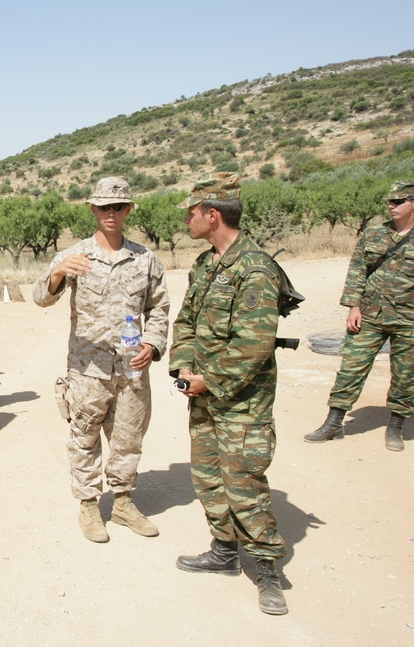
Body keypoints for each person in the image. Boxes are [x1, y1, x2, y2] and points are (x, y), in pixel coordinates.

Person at [168, 172, 288, 616]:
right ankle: (223, 551)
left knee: (244, 484)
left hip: (242, 401)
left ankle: (267, 570)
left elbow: (253, 344)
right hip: (203, 395)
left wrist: (208, 379)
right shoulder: (205, 264)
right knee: (207, 478)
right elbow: (186, 321)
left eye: (191, 212)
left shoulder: (254, 267)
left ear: (211, 214)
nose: (187, 219)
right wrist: (183, 365)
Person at [33, 176, 170, 544]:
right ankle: (89, 505)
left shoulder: (145, 259)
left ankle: (123, 503)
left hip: (131, 368)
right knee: (84, 437)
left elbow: (159, 308)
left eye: (118, 206)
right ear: (93, 210)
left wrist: (153, 345)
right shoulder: (74, 256)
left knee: (128, 438)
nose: (111, 213)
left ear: (128, 210)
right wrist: (58, 272)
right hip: (87, 369)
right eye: (104, 206)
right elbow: (40, 298)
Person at [304, 180, 414, 451]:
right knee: (351, 368)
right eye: (389, 202)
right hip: (370, 316)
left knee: (405, 374)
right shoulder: (373, 235)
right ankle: (333, 422)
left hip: (412, 319)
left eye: (398, 201)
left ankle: (395, 427)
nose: (391, 206)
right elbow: (357, 270)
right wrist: (354, 307)